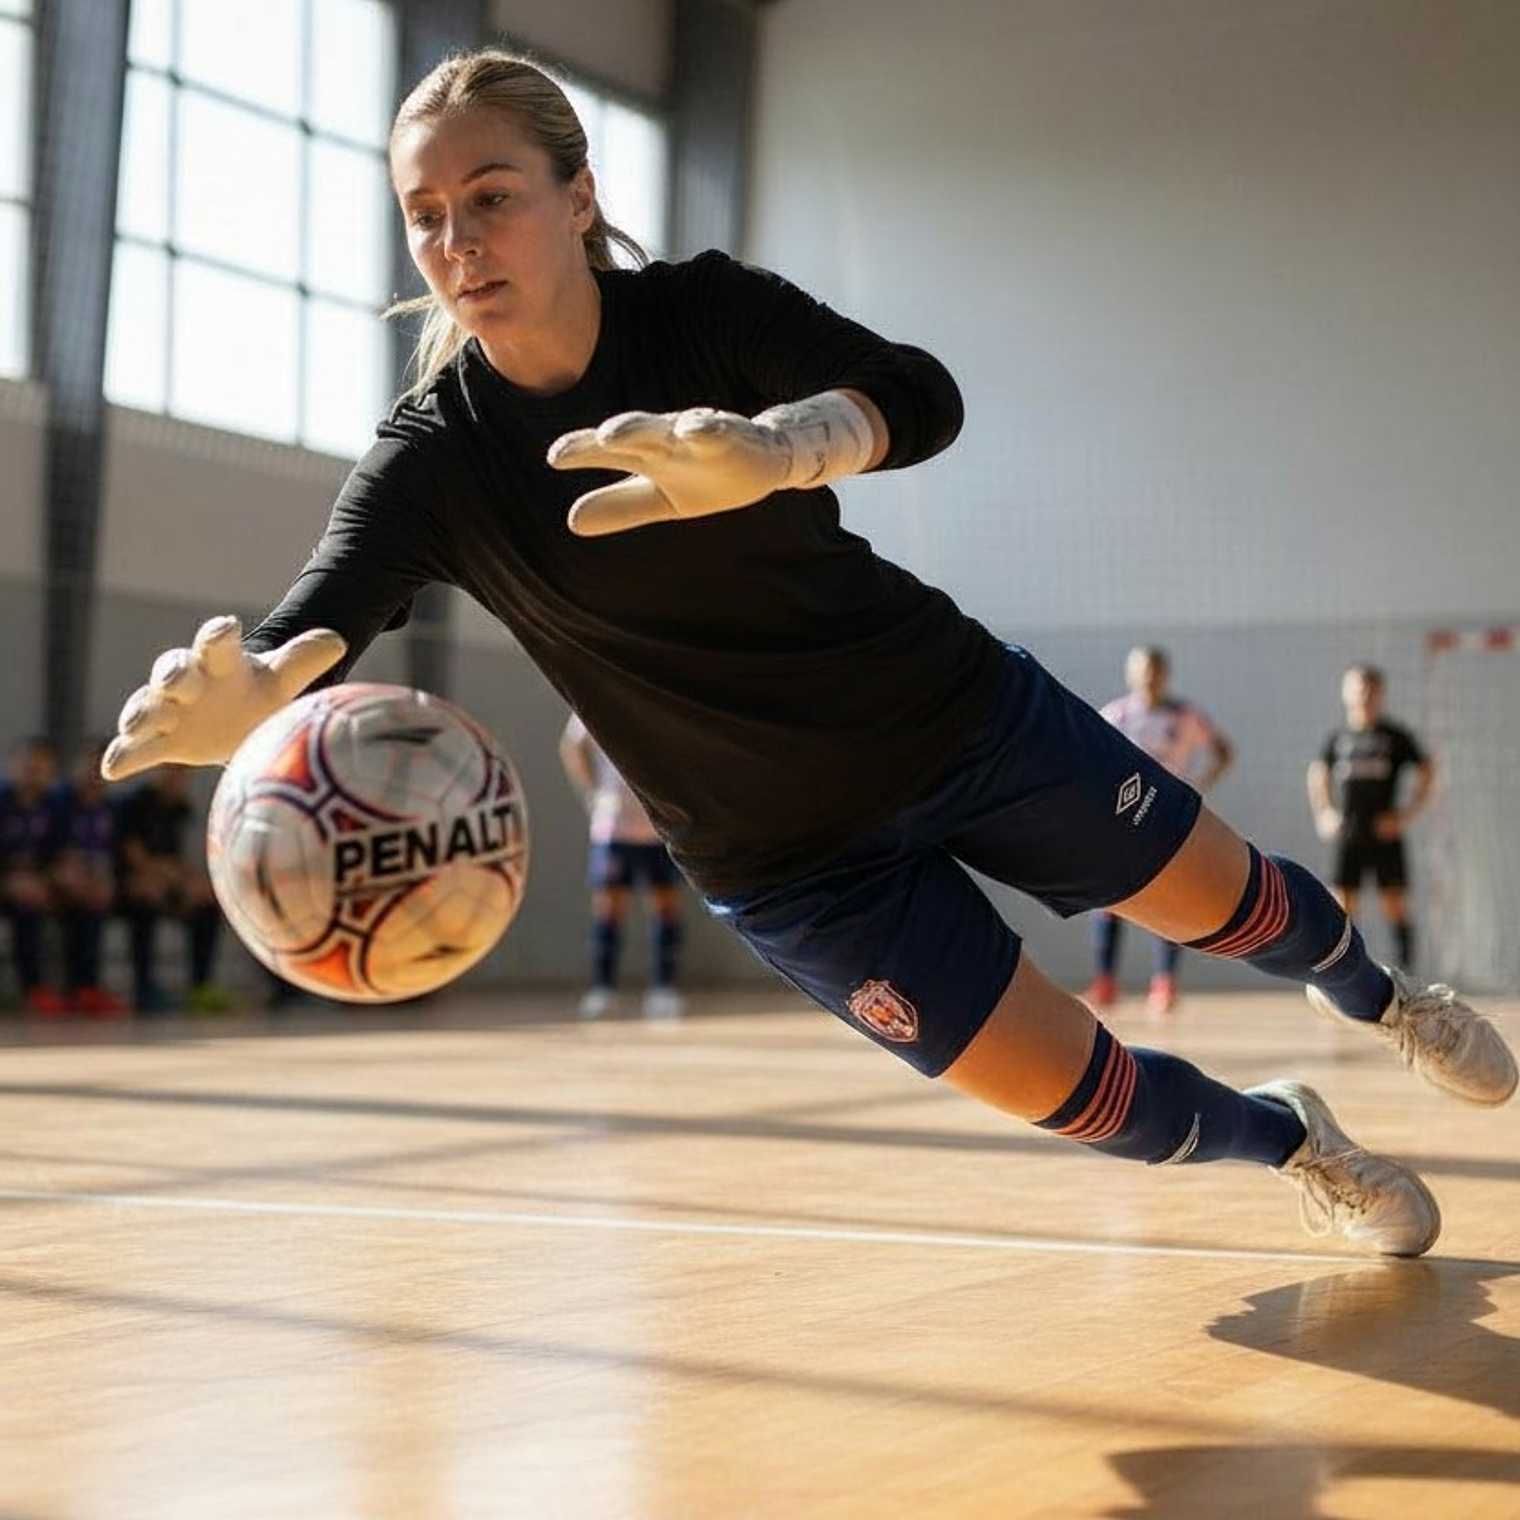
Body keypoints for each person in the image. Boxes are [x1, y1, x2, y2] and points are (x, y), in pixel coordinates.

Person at [99, 49, 1515, 1259]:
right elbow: (322, 609)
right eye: (425, 218)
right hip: (787, 863)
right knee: (1104, 1108)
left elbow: (922, 392)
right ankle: (1291, 1144)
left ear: (578, 198)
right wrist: (258, 689)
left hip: (952, 718)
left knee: (1236, 907)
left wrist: (780, 449)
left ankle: (1387, 1000)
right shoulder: (434, 462)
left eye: (491, 198)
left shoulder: (700, 315)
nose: (459, 243)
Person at [1085, 645, 1234, 1018]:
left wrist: (1197, 784)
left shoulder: (1183, 715)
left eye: (1155, 669)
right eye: (1142, 669)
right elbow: (1091, 756)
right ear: (1130, 673)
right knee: (1109, 900)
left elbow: (1222, 751)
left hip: (1166, 817)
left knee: (1170, 897)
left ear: (1165, 673)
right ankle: (1105, 980)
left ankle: (1165, 983)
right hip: (1119, 820)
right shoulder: (1116, 714)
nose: (1149, 676)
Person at [560, 711, 685, 1020]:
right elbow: (572, 745)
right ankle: (603, 989)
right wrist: (592, 793)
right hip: (614, 826)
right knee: (609, 908)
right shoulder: (596, 695)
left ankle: (664, 989)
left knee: (665, 905)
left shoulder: (659, 701)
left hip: (660, 828)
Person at [1307, 664, 1433, 970]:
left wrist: (1405, 815)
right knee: (1344, 908)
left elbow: (1427, 770)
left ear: (1380, 693)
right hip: (1349, 833)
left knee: (1394, 906)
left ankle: (1407, 978)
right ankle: (1345, 976)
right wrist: (1325, 813)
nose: (1363, 694)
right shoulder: (1338, 738)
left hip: (1384, 834)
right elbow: (1317, 774)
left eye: (1369, 688)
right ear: (1345, 692)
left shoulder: (1394, 737)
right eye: (1357, 687)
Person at [114, 765, 230, 1014]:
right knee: (146, 899)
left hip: (167, 881)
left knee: (207, 900)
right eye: (169, 771)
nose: (175, 778)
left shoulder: (180, 809)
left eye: (180, 773)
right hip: (131, 881)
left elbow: (178, 856)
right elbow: (133, 855)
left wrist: (187, 881)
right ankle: (143, 988)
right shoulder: (136, 803)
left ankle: (200, 985)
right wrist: (166, 874)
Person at [45, 736, 128, 1015]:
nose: (94, 775)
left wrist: (104, 880)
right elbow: (51, 852)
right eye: (89, 766)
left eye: (100, 768)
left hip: (94, 882)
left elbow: (116, 854)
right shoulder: (57, 802)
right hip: (56, 878)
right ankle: (55, 988)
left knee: (98, 903)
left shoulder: (111, 808)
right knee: (73, 901)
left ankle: (87, 987)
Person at [0, 735, 68, 1015]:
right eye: (28, 764)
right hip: (7, 884)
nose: (33, 771)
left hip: (38, 887)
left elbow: (61, 855)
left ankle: (77, 987)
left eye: (41, 766)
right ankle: (30, 988)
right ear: (14, 765)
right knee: (26, 902)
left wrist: (55, 879)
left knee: (85, 905)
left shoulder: (54, 806)